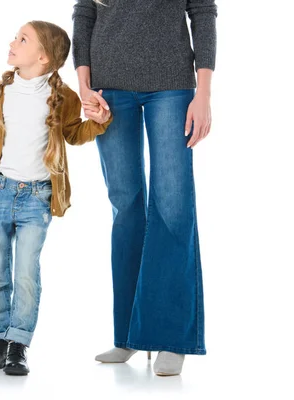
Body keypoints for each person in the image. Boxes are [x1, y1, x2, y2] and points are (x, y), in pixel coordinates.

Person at [0, 21, 112, 375]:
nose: (13, 42)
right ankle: (0, 340)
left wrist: (98, 122)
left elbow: (74, 134)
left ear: (42, 57)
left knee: (25, 272)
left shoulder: (63, 97)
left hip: (37, 199)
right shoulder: (2, 91)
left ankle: (18, 344)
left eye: (22, 39)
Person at [72, 0, 217, 376]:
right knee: (126, 206)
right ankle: (129, 335)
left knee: (172, 205)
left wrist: (204, 93)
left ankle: (170, 336)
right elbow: (84, 13)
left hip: (171, 84)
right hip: (109, 88)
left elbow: (203, 11)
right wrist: (85, 87)